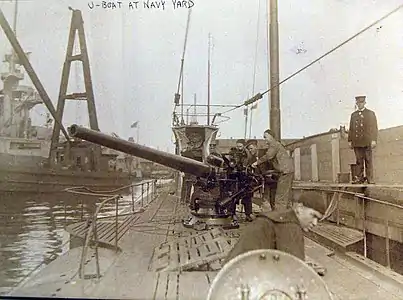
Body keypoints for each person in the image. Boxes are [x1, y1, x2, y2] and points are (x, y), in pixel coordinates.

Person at [224, 193, 324, 263]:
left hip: (234, 275)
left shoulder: (281, 218)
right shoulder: (290, 226)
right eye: (313, 215)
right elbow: (294, 271)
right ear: (299, 208)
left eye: (318, 219)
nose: (315, 223)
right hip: (243, 281)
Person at [251, 129, 294, 209]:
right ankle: (286, 214)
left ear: (271, 136)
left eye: (266, 137)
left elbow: (268, 156)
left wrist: (256, 163)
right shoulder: (277, 144)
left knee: (280, 196)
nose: (265, 139)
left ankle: (279, 217)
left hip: (285, 171)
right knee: (285, 195)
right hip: (287, 171)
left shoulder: (274, 144)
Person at [348, 95, 378, 184]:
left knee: (368, 160)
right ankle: (359, 178)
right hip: (357, 142)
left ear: (365, 103)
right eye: (358, 103)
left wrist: (373, 140)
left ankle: (370, 179)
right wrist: (350, 140)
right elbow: (351, 129)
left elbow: (374, 128)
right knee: (359, 161)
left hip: (367, 141)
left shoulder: (370, 113)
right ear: (356, 104)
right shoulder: (353, 115)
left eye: (361, 102)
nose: (359, 104)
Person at [246, 139, 278, 211]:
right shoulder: (252, 159)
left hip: (274, 178)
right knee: (265, 198)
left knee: (274, 198)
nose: (250, 151)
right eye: (249, 149)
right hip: (264, 181)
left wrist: (271, 172)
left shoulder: (265, 153)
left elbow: (274, 163)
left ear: (256, 147)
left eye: (251, 148)